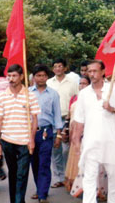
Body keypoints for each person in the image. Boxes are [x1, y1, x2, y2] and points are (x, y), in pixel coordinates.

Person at [72, 60, 115, 203]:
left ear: (103, 72)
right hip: (91, 142)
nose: (92, 74)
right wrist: (76, 142)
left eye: (95, 71)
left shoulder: (113, 90)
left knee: (113, 175)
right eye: (89, 71)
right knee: (89, 177)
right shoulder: (84, 93)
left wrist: (112, 109)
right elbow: (79, 121)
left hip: (111, 142)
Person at [0, 64, 40, 203]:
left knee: (22, 174)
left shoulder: (29, 96)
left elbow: (34, 119)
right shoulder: (2, 96)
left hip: (24, 141)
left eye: (14, 76)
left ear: (21, 77)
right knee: (13, 173)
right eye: (9, 76)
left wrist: (32, 139)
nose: (11, 79)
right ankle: (15, 200)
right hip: (7, 140)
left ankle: (19, 200)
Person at [29, 65, 63, 203]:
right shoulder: (27, 93)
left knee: (44, 162)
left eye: (43, 75)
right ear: (34, 77)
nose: (41, 78)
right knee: (34, 163)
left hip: (46, 132)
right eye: (38, 75)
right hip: (31, 133)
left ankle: (43, 194)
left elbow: (57, 115)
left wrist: (58, 135)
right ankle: (39, 188)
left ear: (47, 77)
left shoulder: (53, 94)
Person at [47, 58, 78, 188]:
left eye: (60, 66)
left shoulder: (72, 83)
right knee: (56, 150)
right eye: (55, 66)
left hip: (67, 118)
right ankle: (59, 177)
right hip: (53, 119)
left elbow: (77, 98)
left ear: (65, 68)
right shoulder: (49, 82)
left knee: (67, 149)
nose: (58, 68)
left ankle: (69, 175)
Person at [64, 76, 91, 191]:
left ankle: (88, 186)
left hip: (87, 134)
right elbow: (69, 117)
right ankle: (74, 183)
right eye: (80, 83)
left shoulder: (92, 98)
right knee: (74, 159)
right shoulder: (75, 99)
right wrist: (68, 132)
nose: (82, 86)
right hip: (74, 134)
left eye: (85, 83)